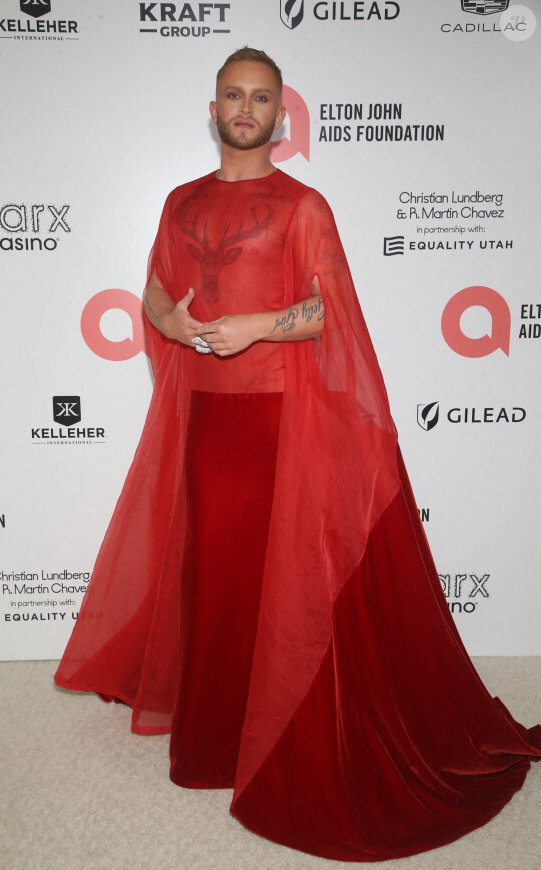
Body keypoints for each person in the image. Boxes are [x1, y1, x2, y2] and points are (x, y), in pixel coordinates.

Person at [55, 48, 540, 861]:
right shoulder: (179, 203)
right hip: (210, 424)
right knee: (214, 572)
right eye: (233, 96)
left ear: (281, 118)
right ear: (212, 111)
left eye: (262, 98)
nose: (246, 109)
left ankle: (276, 728)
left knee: (278, 578)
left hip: (283, 423)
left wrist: (251, 325)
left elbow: (328, 309)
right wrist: (175, 326)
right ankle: (212, 743)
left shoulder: (303, 206)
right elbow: (153, 294)